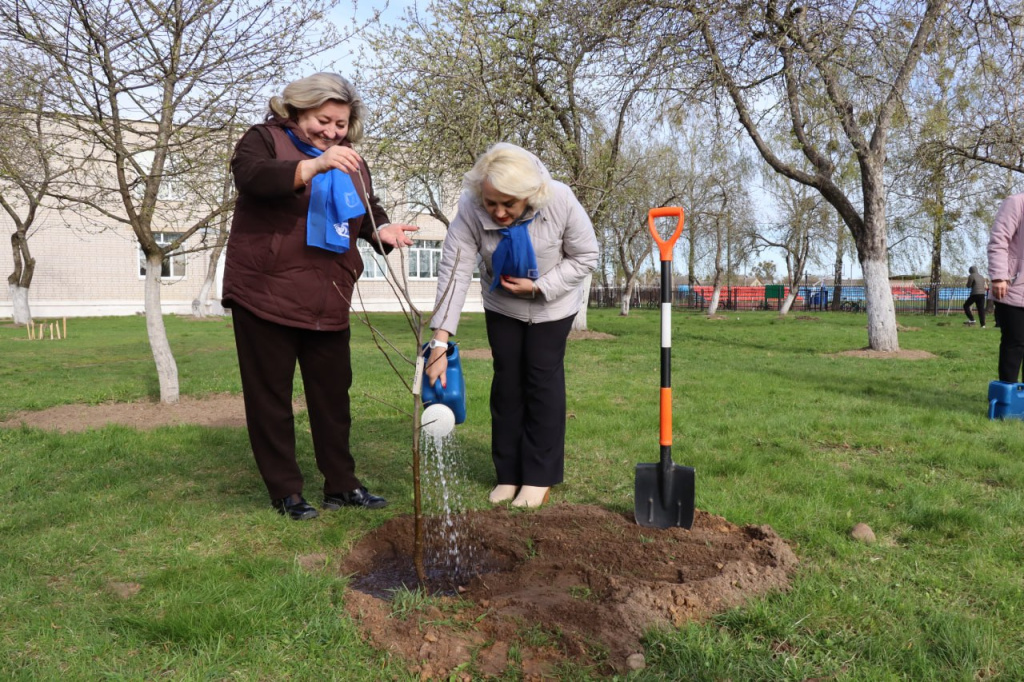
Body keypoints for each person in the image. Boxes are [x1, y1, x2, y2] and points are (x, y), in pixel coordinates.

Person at [222, 73, 418, 520]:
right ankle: (286, 491)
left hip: (328, 294)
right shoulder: (264, 140)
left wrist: (379, 230)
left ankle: (342, 485)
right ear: (297, 111)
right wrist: (313, 165)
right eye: (323, 120)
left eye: (341, 124)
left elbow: (365, 206)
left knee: (333, 397)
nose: (332, 132)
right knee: (270, 397)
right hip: (265, 292)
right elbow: (251, 178)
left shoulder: (351, 160)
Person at [424, 143, 598, 508]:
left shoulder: (560, 200)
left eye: (509, 204)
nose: (499, 212)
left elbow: (586, 256)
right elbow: (454, 271)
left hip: (552, 303)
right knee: (507, 384)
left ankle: (538, 477)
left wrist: (540, 286)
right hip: (502, 303)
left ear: (529, 196)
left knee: (541, 379)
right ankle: (508, 475)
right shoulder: (470, 208)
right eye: (492, 203)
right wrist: (439, 343)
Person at [987, 193, 1024, 383]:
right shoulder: (1016, 202)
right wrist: (999, 276)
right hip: (1014, 288)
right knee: (1015, 343)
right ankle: (1008, 399)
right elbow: (999, 241)